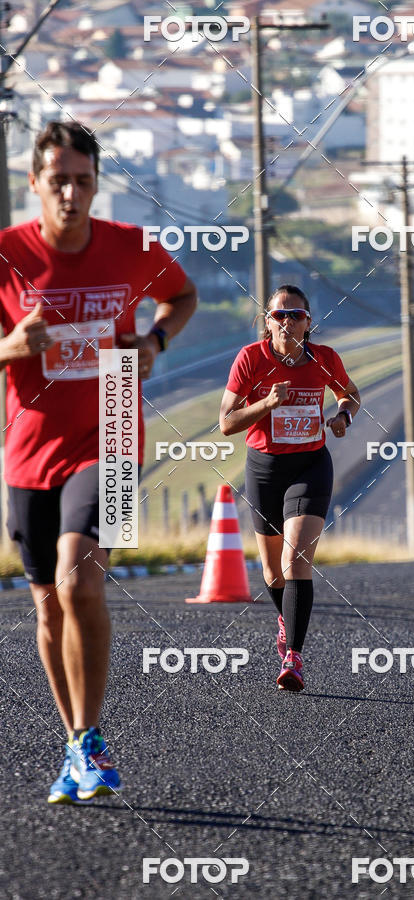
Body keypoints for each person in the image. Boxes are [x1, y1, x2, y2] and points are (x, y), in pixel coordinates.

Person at [0, 121, 197, 802]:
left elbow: (183, 295)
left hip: (113, 433)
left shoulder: (132, 246)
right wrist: (11, 349)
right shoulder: (6, 254)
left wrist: (156, 341)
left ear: (96, 184)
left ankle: (91, 740)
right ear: (34, 183)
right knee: (49, 610)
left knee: (80, 579)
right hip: (29, 451)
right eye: (58, 180)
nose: (71, 193)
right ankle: (75, 746)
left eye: (83, 181)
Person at [219, 285, 360, 691]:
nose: (286, 322)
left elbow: (350, 394)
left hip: (310, 464)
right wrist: (265, 404)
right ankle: (285, 618)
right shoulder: (251, 358)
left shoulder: (324, 358)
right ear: (267, 321)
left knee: (296, 559)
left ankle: (293, 657)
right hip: (264, 468)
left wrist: (342, 416)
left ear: (308, 322)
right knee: (272, 570)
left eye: (295, 315)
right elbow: (226, 423)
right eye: (279, 315)